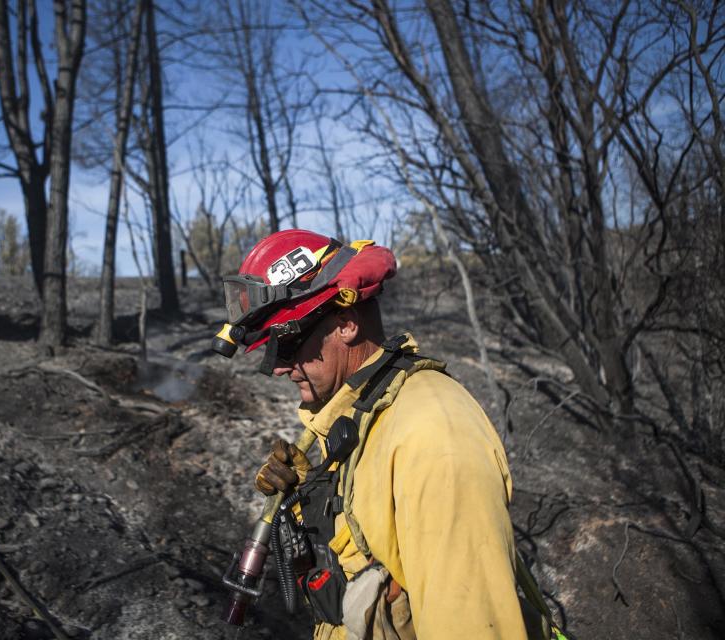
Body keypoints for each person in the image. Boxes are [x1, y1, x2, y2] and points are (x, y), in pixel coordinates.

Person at [214, 230, 556, 640]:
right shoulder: (362, 414)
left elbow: (472, 622)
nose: (278, 368)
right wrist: (310, 494)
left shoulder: (432, 434)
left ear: (345, 324)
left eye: (283, 347)